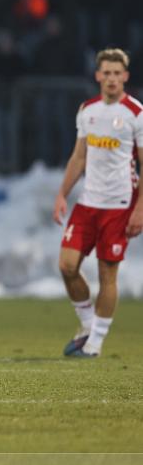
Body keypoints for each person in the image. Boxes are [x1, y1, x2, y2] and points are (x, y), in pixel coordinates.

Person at [53, 48, 143, 358]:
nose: (112, 79)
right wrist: (63, 194)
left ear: (126, 77)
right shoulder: (87, 110)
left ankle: (94, 343)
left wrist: (140, 208)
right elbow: (79, 156)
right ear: (98, 76)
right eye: (107, 73)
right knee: (66, 266)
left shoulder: (136, 113)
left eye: (117, 74)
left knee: (108, 273)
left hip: (119, 205)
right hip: (88, 202)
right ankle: (88, 322)